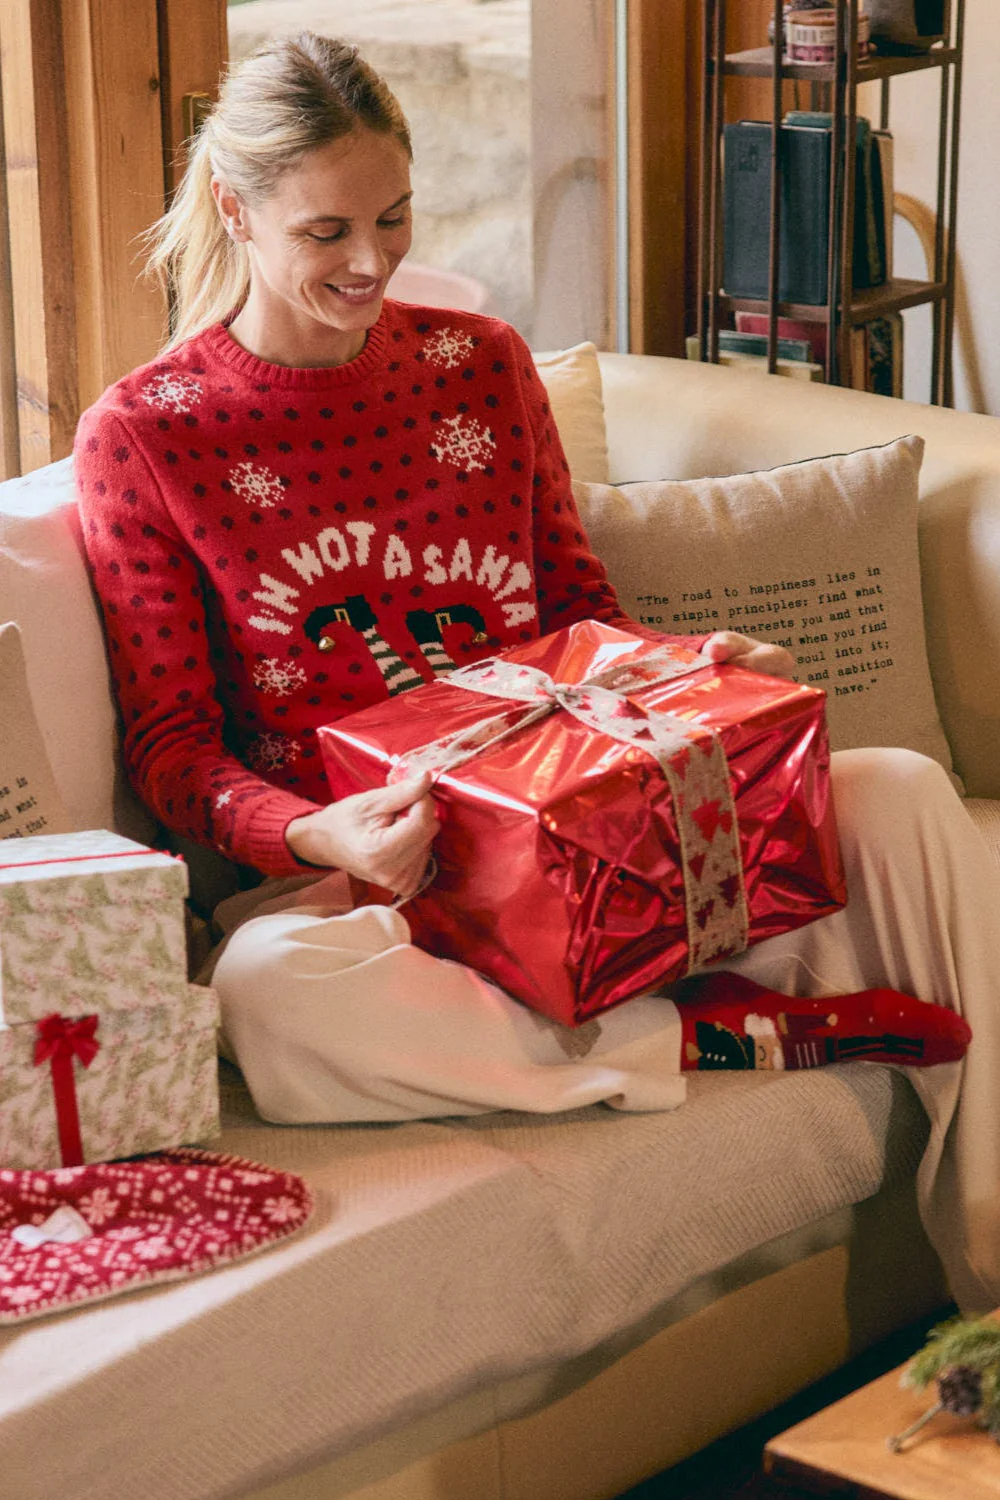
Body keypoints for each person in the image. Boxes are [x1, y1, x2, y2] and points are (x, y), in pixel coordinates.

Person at [74, 31, 1000, 1311]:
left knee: (898, 793)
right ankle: (713, 1035)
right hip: (382, 903)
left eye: (393, 218)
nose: (369, 261)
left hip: (596, 838)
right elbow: (174, 751)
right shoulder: (147, 435)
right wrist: (321, 832)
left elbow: (576, 615)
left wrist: (698, 677)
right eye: (326, 230)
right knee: (267, 996)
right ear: (234, 209)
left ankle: (996, 1262)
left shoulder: (481, 366)